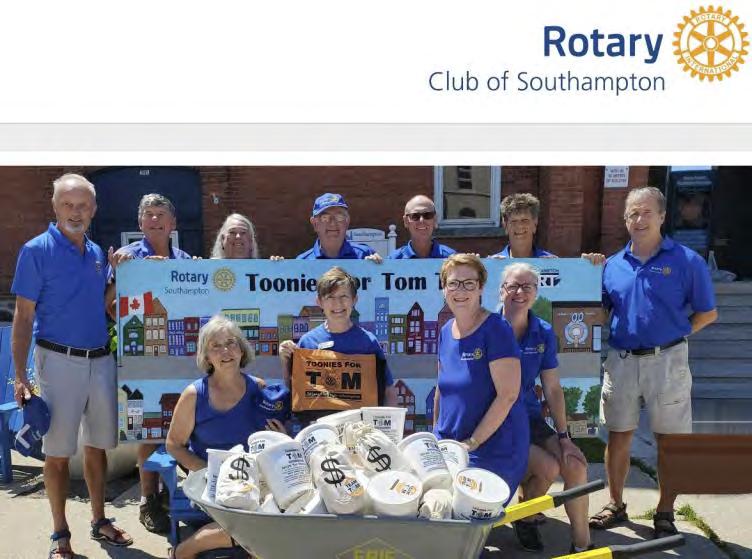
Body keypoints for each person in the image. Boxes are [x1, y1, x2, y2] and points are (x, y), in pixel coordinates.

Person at [11, 173, 132, 559]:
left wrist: (119, 275)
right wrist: (20, 377)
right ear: (55, 207)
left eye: (82, 206)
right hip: (58, 361)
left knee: (97, 448)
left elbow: (103, 305)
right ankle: (60, 534)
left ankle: (99, 519)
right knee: (58, 453)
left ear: (93, 209)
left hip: (100, 360)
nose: (75, 212)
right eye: (68, 205)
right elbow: (23, 316)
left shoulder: (96, 253)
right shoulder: (35, 250)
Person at [589, 187, 717, 539]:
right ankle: (615, 504)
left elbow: (707, 313)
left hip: (667, 361)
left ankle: (664, 511)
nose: (639, 219)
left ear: (662, 216)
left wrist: (675, 334)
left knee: (669, 442)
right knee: (618, 436)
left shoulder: (687, 261)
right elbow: (600, 313)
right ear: (625, 220)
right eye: (633, 213)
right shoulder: (612, 265)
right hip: (622, 361)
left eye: (647, 212)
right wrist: (586, 274)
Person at [166, 315, 285, 559]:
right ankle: (184, 551)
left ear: (241, 349)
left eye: (231, 343)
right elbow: (174, 445)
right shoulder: (194, 395)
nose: (225, 351)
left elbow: (269, 439)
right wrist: (205, 471)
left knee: (279, 512)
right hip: (209, 480)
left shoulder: (259, 388)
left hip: (253, 478)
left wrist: (281, 437)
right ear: (206, 356)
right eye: (216, 346)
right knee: (254, 524)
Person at [108, 193, 191, 534]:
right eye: (149, 215)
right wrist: (120, 276)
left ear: (173, 223)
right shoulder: (127, 259)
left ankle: (174, 493)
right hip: (142, 360)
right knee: (147, 429)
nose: (155, 220)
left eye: (161, 214)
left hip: (180, 358)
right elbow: (109, 307)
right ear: (140, 223)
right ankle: (148, 499)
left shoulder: (186, 260)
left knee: (182, 426)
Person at [500, 262, 592, 554]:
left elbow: (552, 388)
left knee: (575, 465)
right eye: (514, 285)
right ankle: (526, 516)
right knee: (547, 467)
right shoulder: (487, 327)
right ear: (502, 291)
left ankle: (582, 544)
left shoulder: (543, 332)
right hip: (496, 421)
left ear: (536, 293)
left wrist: (564, 437)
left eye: (527, 286)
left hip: (530, 418)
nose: (520, 292)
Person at [432, 254, 529, 501]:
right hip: (451, 446)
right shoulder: (446, 331)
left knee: (458, 510)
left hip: (491, 449)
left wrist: (472, 443)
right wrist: (435, 438)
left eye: (469, 283)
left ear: (481, 288)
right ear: (444, 288)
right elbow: (441, 390)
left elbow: (508, 395)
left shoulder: (497, 329)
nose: (460, 290)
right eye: (453, 283)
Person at [278, 266, 398, 421]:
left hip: (360, 429)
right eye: (330, 297)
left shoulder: (368, 342)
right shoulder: (307, 342)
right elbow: (295, 390)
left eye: (344, 296)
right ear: (319, 302)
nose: (338, 304)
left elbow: (388, 390)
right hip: (318, 428)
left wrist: (390, 428)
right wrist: (285, 361)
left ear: (354, 300)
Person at [490, 192, 605, 264]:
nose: (519, 226)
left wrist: (588, 266)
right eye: (514, 221)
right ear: (505, 226)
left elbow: (572, 291)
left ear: (535, 224)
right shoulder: (492, 264)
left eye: (525, 220)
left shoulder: (553, 263)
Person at [296, 193, 382, 262]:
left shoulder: (364, 255)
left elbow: (380, 277)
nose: (333, 223)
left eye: (339, 217)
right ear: (315, 224)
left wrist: (376, 268)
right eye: (325, 218)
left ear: (347, 222)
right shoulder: (302, 263)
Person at [389, 195, 456, 259]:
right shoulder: (394, 260)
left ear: (435, 220)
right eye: (415, 216)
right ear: (406, 221)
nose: (421, 220)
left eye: (427, 215)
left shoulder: (452, 259)